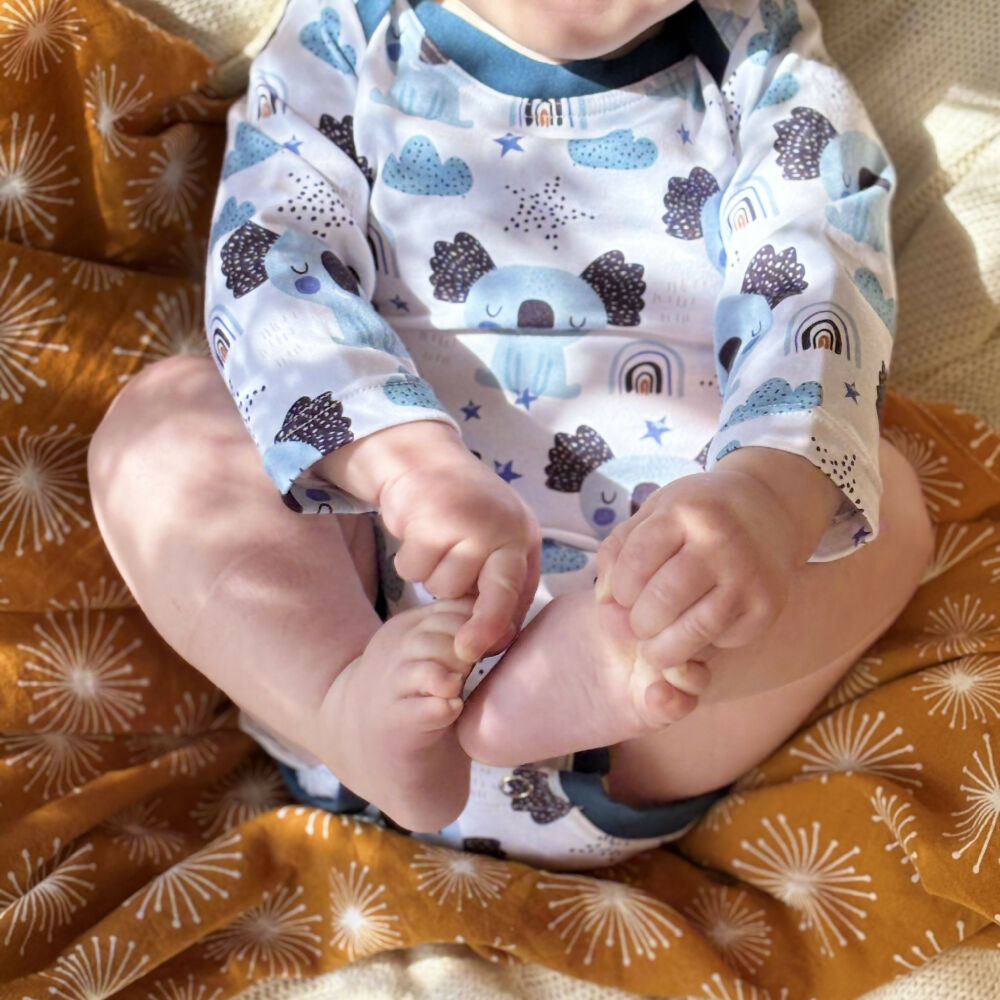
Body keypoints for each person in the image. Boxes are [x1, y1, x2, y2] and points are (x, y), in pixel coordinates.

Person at [89, 0, 934, 867]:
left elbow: (819, 279)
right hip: (353, 617)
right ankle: (340, 700)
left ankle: (585, 672)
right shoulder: (346, 36)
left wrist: (762, 496)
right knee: (160, 419)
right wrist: (404, 465)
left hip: (639, 715)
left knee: (881, 503)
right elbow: (271, 270)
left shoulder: (761, 63)